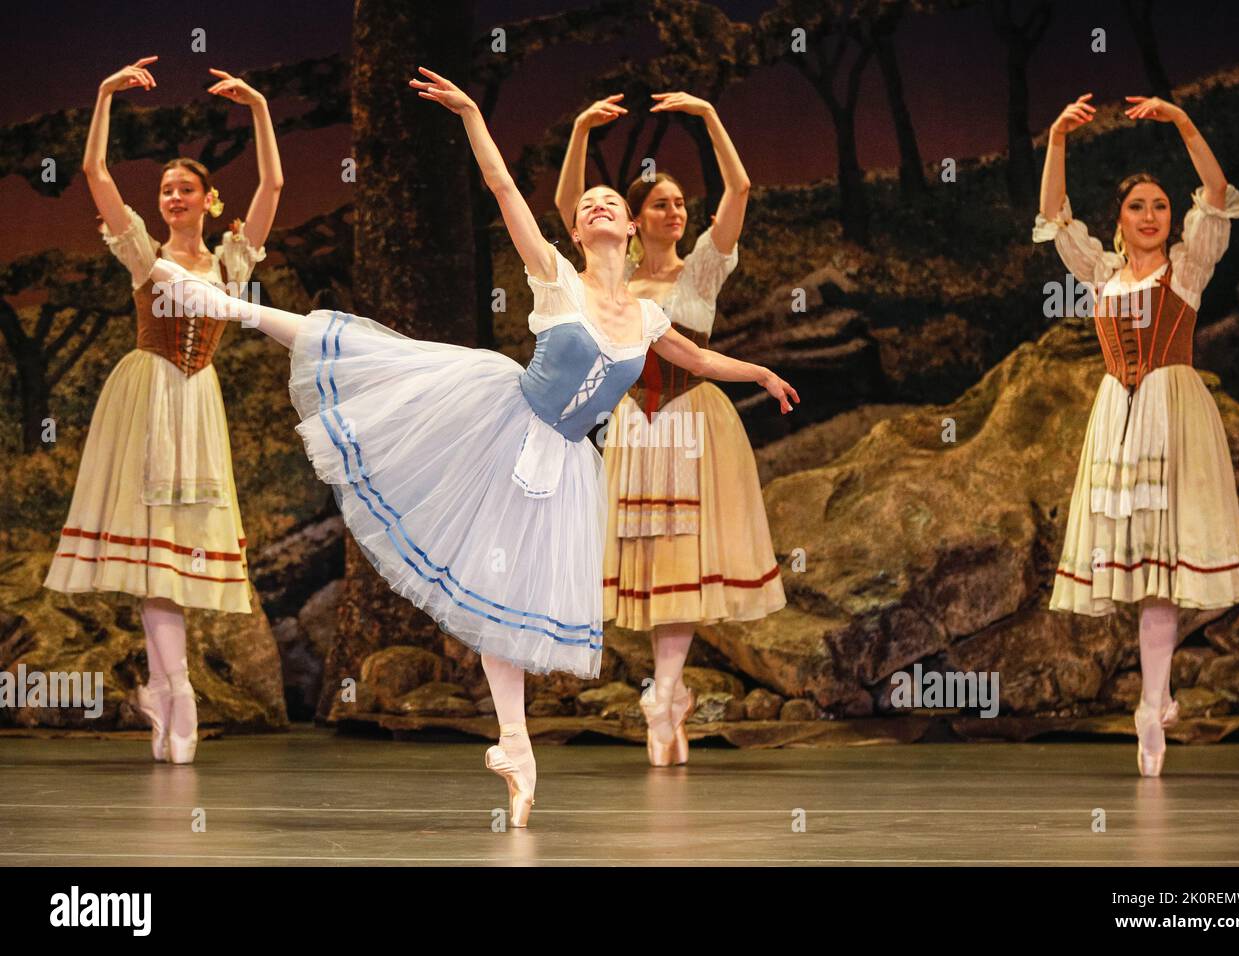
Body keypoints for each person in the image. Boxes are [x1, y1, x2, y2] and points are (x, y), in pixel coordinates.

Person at [145, 67, 799, 825]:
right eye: (588, 202)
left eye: (608, 203)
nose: (595, 206)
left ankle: (514, 746)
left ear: (625, 228)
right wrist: (468, 114)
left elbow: (702, 360)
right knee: (364, 350)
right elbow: (501, 188)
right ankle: (231, 304)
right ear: (579, 229)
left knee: (509, 602)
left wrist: (762, 372)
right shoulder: (556, 278)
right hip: (501, 420)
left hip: (562, 463)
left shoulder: (650, 319)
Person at [44, 56, 282, 765]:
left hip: (197, 403)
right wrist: (103, 94)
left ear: (209, 201)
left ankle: (162, 691)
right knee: (152, 559)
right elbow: (95, 174)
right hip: (145, 398)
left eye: (186, 188)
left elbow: (272, 182)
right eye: (166, 188)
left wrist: (261, 107)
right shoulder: (144, 256)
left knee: (172, 560)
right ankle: (177, 692)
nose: (173, 196)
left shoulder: (231, 263)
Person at [555, 93, 786, 767]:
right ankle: (667, 695)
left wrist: (711, 116)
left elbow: (740, 188)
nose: (675, 212)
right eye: (660, 203)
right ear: (633, 220)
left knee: (682, 556)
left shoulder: (704, 270)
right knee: (648, 559)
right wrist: (577, 130)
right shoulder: (615, 275)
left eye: (681, 203)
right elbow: (571, 209)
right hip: (634, 424)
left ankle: (665, 692)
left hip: (692, 422)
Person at [1035, 93, 1239, 776]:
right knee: (1137, 570)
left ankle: (1150, 705)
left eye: (1161, 206)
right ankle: (1152, 701)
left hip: (1174, 412)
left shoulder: (1186, 270)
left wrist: (1183, 122)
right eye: (1139, 207)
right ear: (1120, 221)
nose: (1153, 216)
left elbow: (1216, 194)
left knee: (1164, 575)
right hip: (1119, 420)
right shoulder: (1100, 274)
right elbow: (1052, 217)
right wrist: (1057, 139)